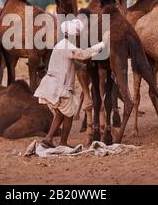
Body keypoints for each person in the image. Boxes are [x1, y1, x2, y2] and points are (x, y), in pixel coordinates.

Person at [34, 18, 110, 147]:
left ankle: (48, 138)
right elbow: (83, 54)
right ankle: (62, 142)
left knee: (60, 114)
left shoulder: (61, 45)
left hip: (52, 85)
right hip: (59, 87)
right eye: (77, 35)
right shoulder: (66, 46)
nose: (78, 38)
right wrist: (103, 43)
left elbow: (71, 62)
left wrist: (82, 66)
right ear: (71, 35)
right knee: (68, 114)